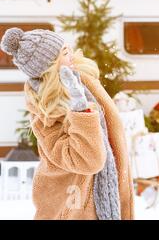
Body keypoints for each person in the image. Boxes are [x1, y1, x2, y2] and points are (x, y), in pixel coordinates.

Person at [0, 28, 134, 220]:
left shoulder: (82, 81)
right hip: (73, 208)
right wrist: (80, 111)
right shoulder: (46, 114)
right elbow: (89, 160)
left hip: (107, 199)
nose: (70, 54)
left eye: (68, 48)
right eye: (64, 52)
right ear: (51, 66)